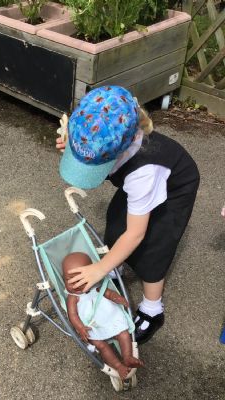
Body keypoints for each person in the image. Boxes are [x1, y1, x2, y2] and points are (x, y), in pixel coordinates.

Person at [56, 86, 200, 344]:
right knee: (116, 222)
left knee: (154, 248)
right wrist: (75, 150)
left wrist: (99, 268)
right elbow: (93, 145)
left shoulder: (144, 173)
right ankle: (117, 264)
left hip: (175, 189)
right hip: (140, 184)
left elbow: (136, 234)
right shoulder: (101, 128)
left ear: (119, 152)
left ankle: (152, 310)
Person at [63, 252, 144, 380]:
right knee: (101, 346)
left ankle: (127, 356)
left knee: (123, 334)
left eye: (80, 279)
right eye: (70, 280)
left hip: (109, 318)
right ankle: (118, 366)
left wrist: (116, 297)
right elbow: (72, 314)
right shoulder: (73, 297)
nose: (76, 284)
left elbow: (108, 293)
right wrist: (80, 328)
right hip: (91, 326)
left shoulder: (97, 286)